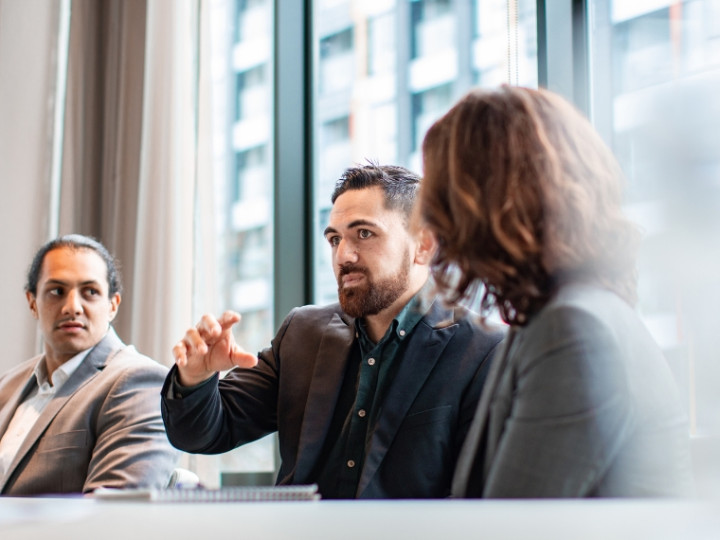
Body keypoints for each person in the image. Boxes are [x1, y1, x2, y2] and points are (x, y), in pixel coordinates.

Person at [161, 164, 504, 499]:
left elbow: (479, 498)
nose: (343, 255)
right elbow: (203, 433)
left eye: (364, 234)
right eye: (334, 239)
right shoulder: (302, 332)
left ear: (424, 245)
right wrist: (195, 378)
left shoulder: (484, 350)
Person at [418, 85, 694, 498]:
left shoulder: (573, 329)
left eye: (447, 197)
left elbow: (515, 528)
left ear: (490, 204)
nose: (437, 221)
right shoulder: (567, 314)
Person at [0, 234, 178, 495]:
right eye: (57, 291)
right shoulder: (8, 384)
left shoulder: (140, 383)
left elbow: (110, 518)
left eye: (90, 292)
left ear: (112, 305)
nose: (72, 307)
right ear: (32, 302)